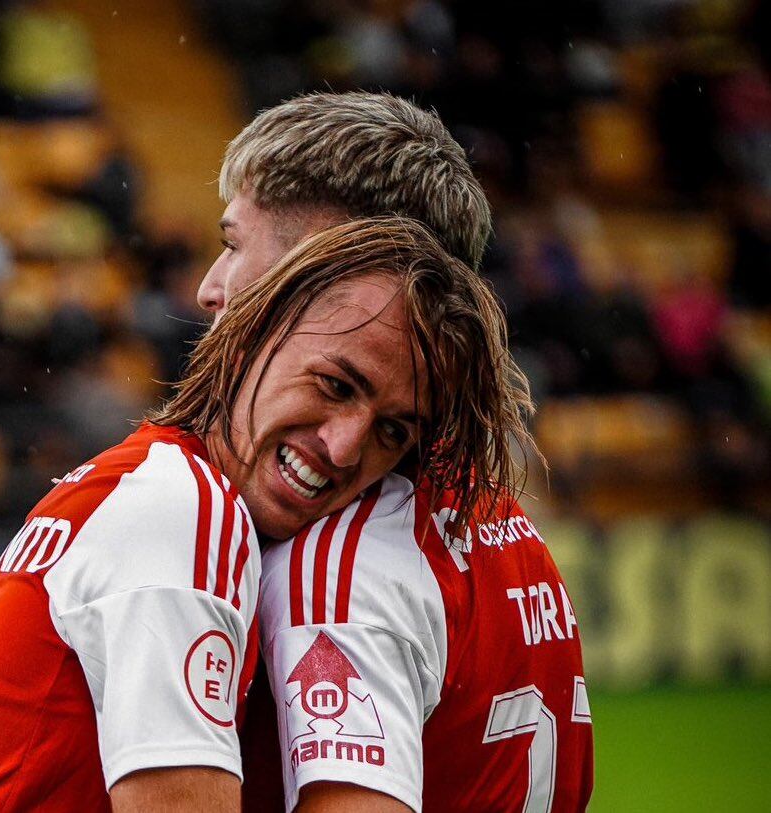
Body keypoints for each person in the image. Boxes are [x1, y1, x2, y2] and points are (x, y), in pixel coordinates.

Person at [0, 215, 529, 812]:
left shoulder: (153, 478)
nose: (344, 448)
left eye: (393, 431)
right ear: (251, 333)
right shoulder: (187, 516)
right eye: (335, 386)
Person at [194, 91, 593, 811]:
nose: (208, 289)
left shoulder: (341, 563)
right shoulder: (498, 524)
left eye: (233, 245)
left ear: (332, 268)